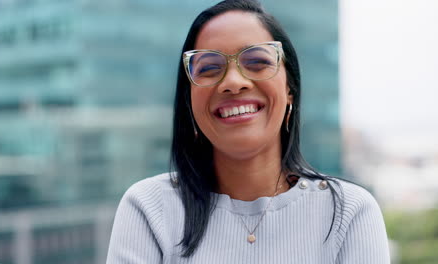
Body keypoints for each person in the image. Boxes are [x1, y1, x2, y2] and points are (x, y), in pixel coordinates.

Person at [106, 0, 390, 263]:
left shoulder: (348, 212)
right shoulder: (149, 208)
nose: (233, 81)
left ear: (290, 89)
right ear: (189, 100)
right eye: (209, 68)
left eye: (257, 62)